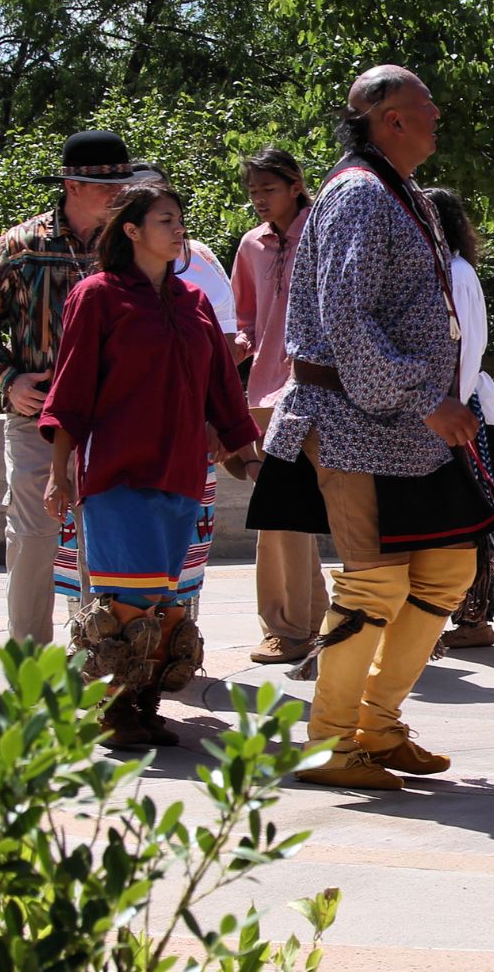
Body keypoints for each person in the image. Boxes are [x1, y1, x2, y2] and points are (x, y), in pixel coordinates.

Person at [248, 65, 494, 791]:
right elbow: (347, 320)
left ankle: (379, 724)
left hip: (410, 430)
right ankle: (331, 744)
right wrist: (427, 398)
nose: (437, 115)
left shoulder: (405, 195)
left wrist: (428, 406)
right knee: (373, 585)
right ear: (390, 117)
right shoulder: (360, 194)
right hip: (354, 425)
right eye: (427, 105)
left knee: (450, 567)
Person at [38, 181, 261, 746]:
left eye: (179, 219)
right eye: (165, 220)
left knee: (167, 600)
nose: (178, 228)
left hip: (184, 471)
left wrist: (248, 454)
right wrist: (58, 472)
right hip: (117, 470)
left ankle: (145, 703)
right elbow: (71, 391)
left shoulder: (194, 302)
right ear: (132, 230)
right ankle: (111, 712)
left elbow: (224, 391)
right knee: (127, 598)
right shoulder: (98, 295)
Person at [0, 130, 137, 644]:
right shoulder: (22, 245)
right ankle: (29, 661)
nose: (121, 195)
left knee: (104, 541)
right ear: (72, 186)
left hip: (113, 420)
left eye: (126, 185)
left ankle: (101, 655)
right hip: (37, 418)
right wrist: (8, 379)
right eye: (110, 187)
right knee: (34, 538)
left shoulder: (126, 245)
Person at [230, 148, 330, 664]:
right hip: (267, 394)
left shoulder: (325, 229)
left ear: (295, 184)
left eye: (267, 189)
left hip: (323, 390)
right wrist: (235, 348)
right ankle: (292, 626)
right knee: (279, 515)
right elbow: (243, 317)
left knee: (311, 513)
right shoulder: (251, 245)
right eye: (252, 193)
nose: (259, 200)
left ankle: (305, 624)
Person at [426, 185, 494, 650]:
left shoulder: (457, 273)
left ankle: (475, 617)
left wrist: (452, 413)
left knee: (469, 518)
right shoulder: (436, 271)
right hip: (440, 411)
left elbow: (465, 350)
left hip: (456, 411)